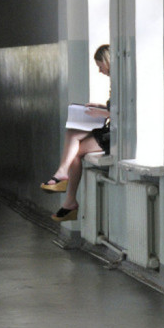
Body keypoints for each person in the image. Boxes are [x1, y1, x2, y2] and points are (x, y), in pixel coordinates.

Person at [40, 45, 111, 222]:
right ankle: (67, 193)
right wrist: (102, 107)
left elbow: (127, 113)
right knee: (72, 133)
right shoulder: (117, 80)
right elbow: (117, 108)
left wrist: (103, 113)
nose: (100, 70)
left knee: (74, 150)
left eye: (100, 65)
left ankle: (66, 188)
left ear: (108, 61)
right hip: (110, 128)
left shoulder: (123, 79)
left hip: (114, 135)